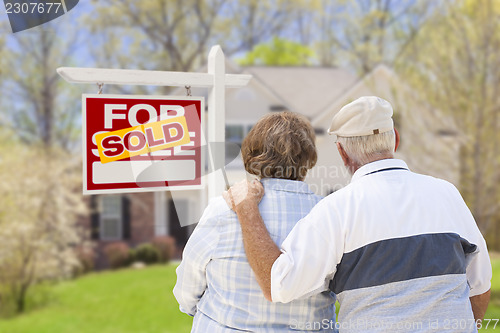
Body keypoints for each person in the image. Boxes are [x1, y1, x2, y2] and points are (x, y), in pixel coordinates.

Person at [224, 96, 492, 333]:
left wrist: (247, 209)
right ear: (395, 139)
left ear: (342, 153)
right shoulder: (447, 194)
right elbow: (479, 288)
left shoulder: (336, 210)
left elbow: (277, 285)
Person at [174, 112, 337, 332]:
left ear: (253, 154)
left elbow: (188, 286)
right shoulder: (330, 215)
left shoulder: (222, 209)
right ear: (308, 158)